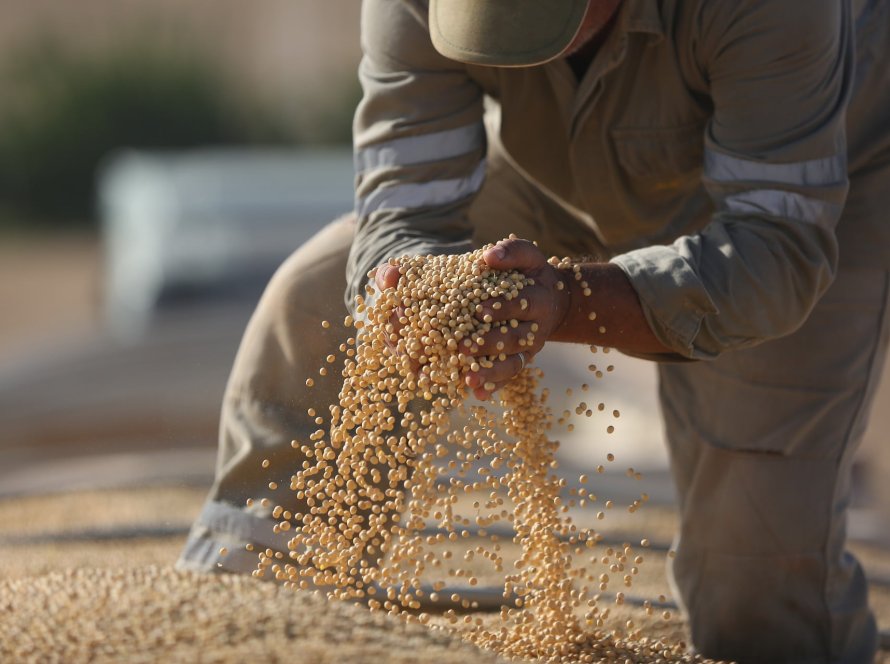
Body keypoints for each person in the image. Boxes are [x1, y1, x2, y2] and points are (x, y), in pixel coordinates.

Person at [179, 0, 890, 660]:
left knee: (754, 597)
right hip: (556, 163)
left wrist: (568, 302)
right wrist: (417, 291)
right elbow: (405, 215)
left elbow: (774, 253)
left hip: (801, 184)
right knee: (316, 302)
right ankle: (244, 610)